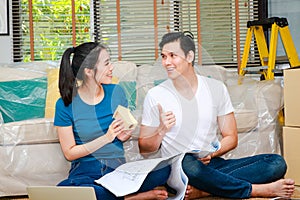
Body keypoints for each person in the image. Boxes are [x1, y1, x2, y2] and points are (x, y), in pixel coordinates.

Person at [138, 32, 295, 199]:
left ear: (189, 56)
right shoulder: (156, 95)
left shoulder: (216, 89)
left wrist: (210, 154)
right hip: (177, 168)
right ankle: (253, 190)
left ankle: (206, 190)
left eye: (172, 56)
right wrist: (161, 130)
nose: (166, 62)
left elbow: (230, 137)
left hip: (211, 164)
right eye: (163, 56)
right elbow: (144, 148)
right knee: (187, 162)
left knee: (275, 163)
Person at [54, 42, 171, 200]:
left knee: (164, 170)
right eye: (107, 63)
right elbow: (69, 153)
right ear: (88, 71)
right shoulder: (65, 104)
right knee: (65, 190)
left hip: (117, 170)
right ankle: (131, 197)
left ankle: (114, 194)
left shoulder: (116, 92)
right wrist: (106, 138)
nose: (112, 68)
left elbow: (123, 132)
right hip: (86, 171)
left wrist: (124, 135)